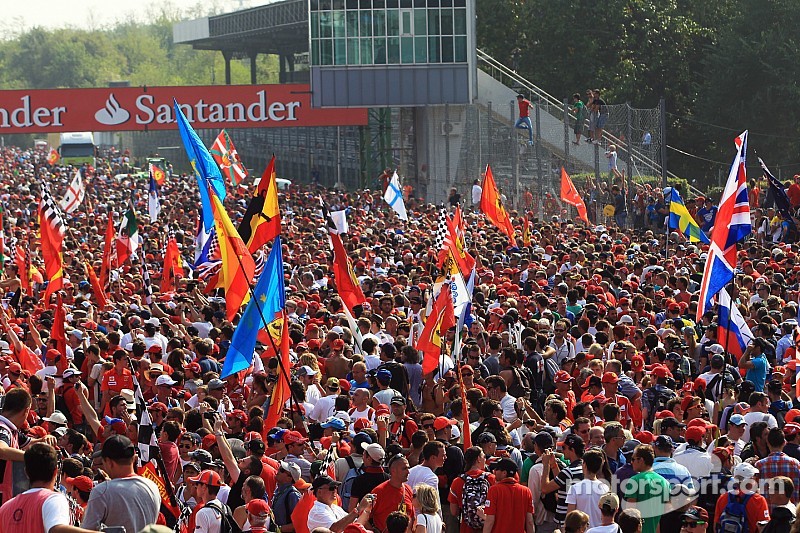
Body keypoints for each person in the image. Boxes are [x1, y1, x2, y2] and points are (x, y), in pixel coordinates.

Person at [0, 443, 95, 533]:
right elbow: (56, 529)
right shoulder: (54, 499)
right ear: (55, 472)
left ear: (26, 473)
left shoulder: (5, 508)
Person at [81, 435, 161, 532]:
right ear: (133, 457)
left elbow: (87, 530)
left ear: (109, 462)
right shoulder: (153, 486)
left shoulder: (102, 491)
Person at [622, 445, 670, 533]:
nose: (631, 462)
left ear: (641, 460)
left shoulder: (634, 480)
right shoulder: (665, 482)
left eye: (633, 459)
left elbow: (630, 515)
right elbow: (663, 514)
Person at [483, 458, 534, 533]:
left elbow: (490, 520)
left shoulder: (494, 490)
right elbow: (529, 522)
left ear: (504, 473)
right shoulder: (526, 491)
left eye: (497, 469)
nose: (494, 471)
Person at [307, 475, 374, 533]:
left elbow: (356, 525)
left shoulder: (336, 508)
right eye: (331, 488)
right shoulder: (317, 511)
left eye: (336, 488)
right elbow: (335, 529)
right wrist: (359, 508)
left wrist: (367, 510)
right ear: (319, 492)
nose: (334, 491)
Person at [369, 454, 414, 533]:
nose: (408, 472)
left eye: (408, 468)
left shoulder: (408, 490)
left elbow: (412, 517)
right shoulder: (379, 492)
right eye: (404, 469)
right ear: (393, 470)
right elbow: (364, 517)